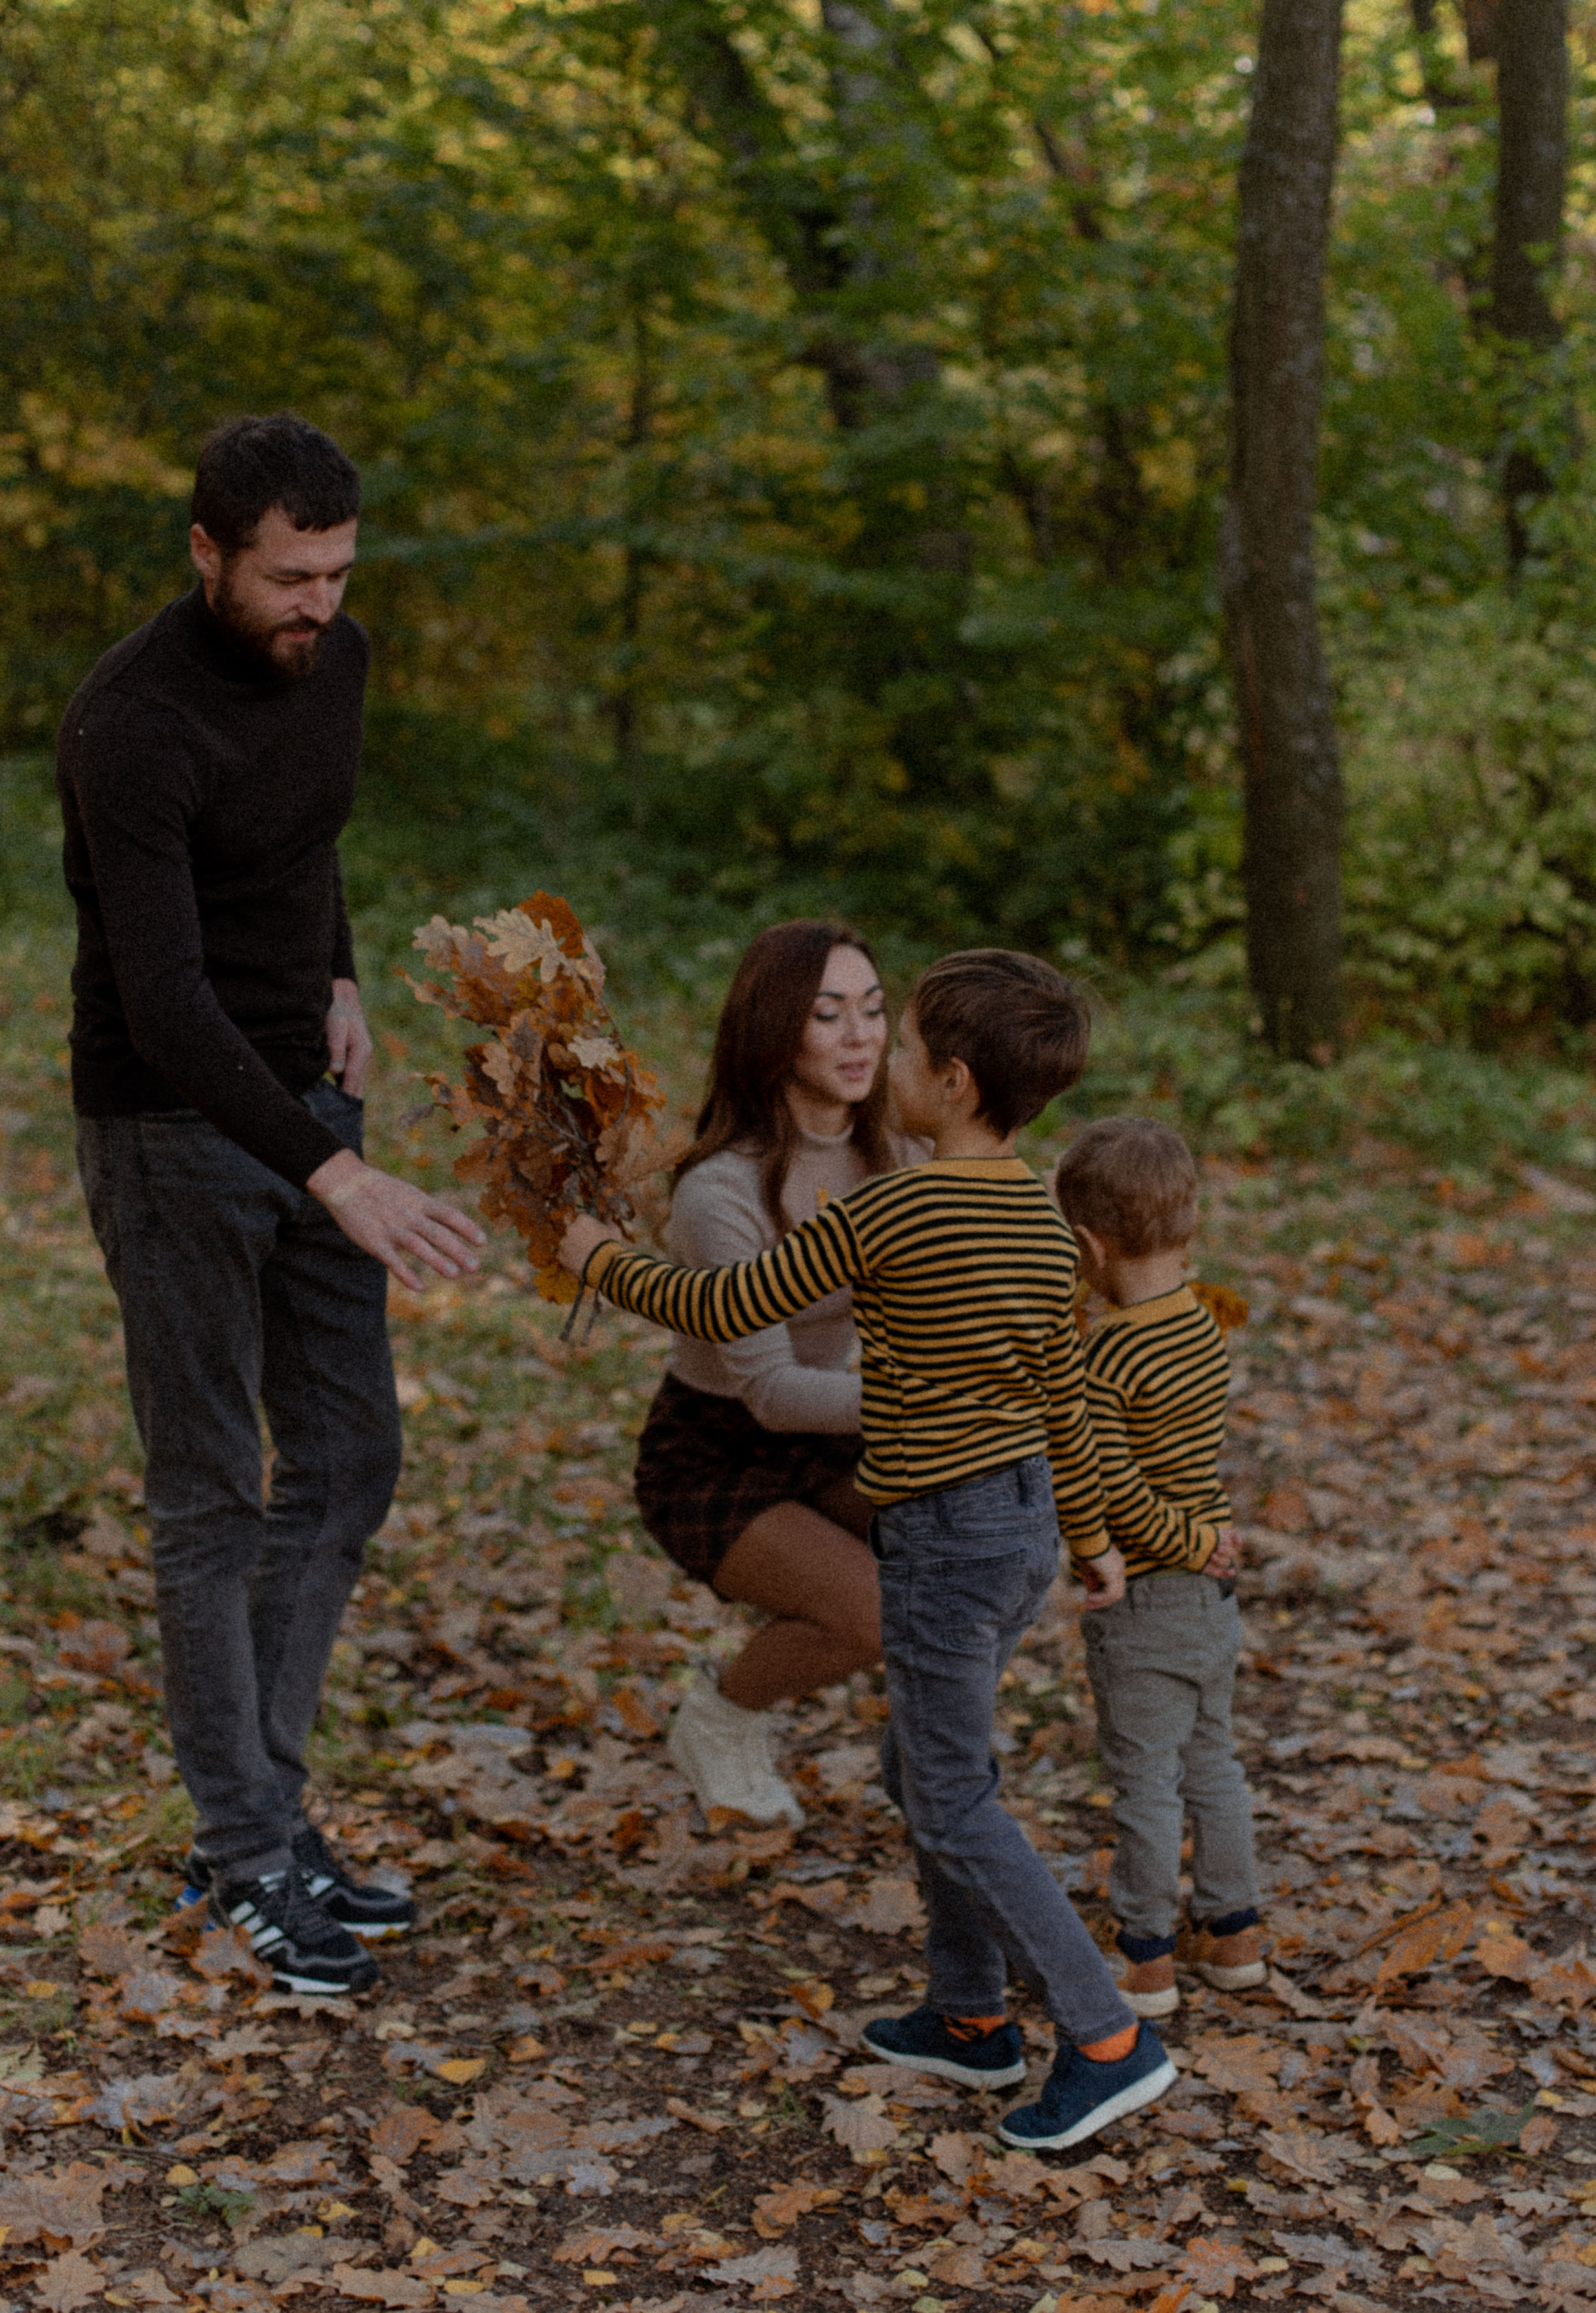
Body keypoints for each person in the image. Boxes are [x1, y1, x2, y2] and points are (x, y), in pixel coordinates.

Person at [561, 951, 1177, 2154]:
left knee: (950, 1797)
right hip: (1022, 1528)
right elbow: (1063, 1394)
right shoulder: (1046, 1223)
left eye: (902, 1046)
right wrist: (1093, 1536)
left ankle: (1106, 2038)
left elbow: (724, 1307)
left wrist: (600, 1261)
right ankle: (969, 2015)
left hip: (946, 1538)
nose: (882, 1060)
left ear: (952, 1082)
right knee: (923, 1765)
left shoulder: (889, 1211)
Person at [59, 412, 485, 1995]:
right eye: (289, 577)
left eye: (339, 573)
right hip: (170, 1127)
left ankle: (266, 1813)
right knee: (208, 1494)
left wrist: (341, 970)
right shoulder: (131, 723)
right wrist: (337, 1167)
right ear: (206, 552)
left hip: (308, 1099)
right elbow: (163, 999)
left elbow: (306, 844)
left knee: (351, 1457)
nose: (319, 605)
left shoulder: (337, 660)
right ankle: (244, 1852)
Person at [637, 921, 918, 1829]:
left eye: (873, 1010)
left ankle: (933, 1762)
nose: (860, 1037)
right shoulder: (720, 1190)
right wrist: (929, 1404)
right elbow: (772, 1392)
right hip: (716, 1449)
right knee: (871, 1613)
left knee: (968, 1541)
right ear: (773, 1031)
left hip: (838, 1428)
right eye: (828, 1015)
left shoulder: (902, 1157)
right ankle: (719, 1720)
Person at [1054, 1116, 1264, 2019]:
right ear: (1189, 1226)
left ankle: (1145, 1956)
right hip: (1213, 1596)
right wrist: (1207, 1542)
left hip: (1148, 1593)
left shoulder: (1110, 1356)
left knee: (1146, 1783)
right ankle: (1232, 1933)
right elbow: (1184, 1458)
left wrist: (1183, 1544)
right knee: (1213, 1764)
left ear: (1090, 1246)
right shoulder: (1202, 1326)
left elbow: (1111, 1485)